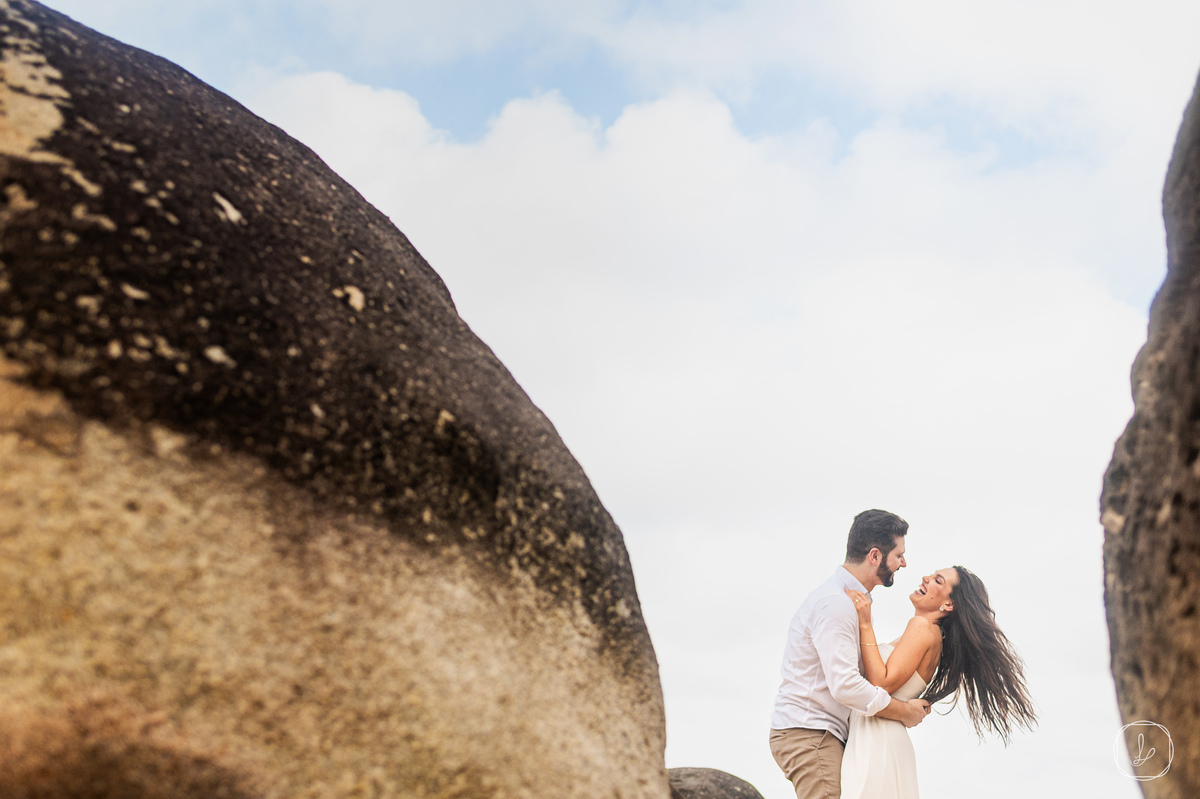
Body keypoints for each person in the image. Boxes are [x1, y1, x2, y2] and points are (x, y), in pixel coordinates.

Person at [769, 510, 931, 799]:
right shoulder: (837, 604)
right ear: (875, 556)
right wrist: (904, 712)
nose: (903, 563)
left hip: (824, 732)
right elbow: (845, 685)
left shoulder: (853, 602)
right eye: (898, 555)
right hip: (810, 733)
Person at [840, 566, 1037, 798]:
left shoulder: (922, 627)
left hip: (877, 741)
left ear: (949, 604)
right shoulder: (930, 634)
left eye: (938, 580)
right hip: (880, 737)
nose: (926, 578)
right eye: (932, 575)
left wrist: (865, 623)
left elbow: (880, 684)